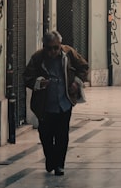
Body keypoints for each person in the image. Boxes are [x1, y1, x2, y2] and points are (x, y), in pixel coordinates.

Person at [24, 30, 89, 175]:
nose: (52, 51)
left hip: (64, 102)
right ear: (44, 46)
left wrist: (76, 83)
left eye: (55, 47)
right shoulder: (37, 58)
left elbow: (83, 67)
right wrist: (38, 83)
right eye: (49, 48)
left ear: (60, 45)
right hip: (45, 104)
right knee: (45, 134)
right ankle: (50, 158)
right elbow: (27, 77)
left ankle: (59, 165)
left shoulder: (69, 53)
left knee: (62, 135)